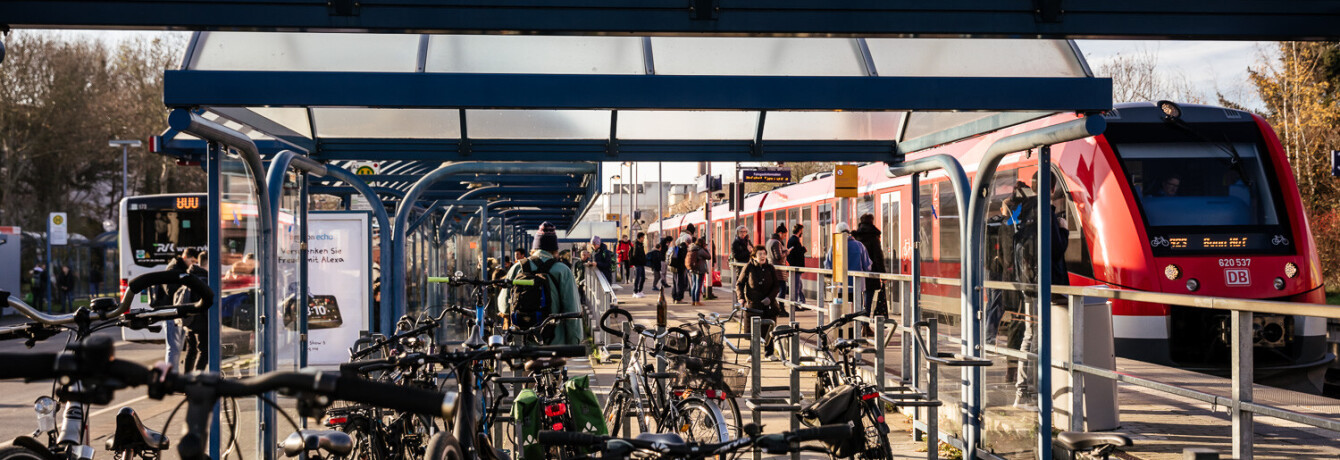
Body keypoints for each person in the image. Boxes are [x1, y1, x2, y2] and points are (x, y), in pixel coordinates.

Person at [1010, 171, 1070, 411]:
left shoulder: (1022, 210)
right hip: (1041, 284)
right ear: (1052, 189)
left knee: (1031, 335)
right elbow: (1055, 249)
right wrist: (1063, 229)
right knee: (1035, 338)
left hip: (1027, 282)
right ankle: (1027, 394)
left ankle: (1027, 392)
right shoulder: (1043, 211)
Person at [498, 222, 584, 346]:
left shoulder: (517, 267)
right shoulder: (562, 270)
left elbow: (504, 306)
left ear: (534, 247)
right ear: (555, 249)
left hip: (522, 341)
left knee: (523, 364)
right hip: (554, 341)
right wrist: (574, 341)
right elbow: (572, 308)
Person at [736, 245, 782, 356]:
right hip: (753, 304)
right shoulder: (749, 267)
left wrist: (770, 298)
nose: (762, 256)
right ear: (754, 256)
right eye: (760, 254)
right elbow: (740, 284)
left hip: (768, 305)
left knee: (769, 330)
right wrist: (741, 297)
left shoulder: (770, 268)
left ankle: (769, 353)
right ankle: (753, 354)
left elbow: (776, 286)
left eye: (764, 254)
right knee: (754, 331)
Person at [823, 222, 873, 306]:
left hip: (840, 287)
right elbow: (867, 267)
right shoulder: (859, 245)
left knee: (841, 312)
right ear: (848, 232)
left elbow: (828, 267)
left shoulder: (834, 247)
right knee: (857, 311)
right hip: (857, 286)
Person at [178, 250, 210, 372]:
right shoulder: (204, 279)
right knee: (204, 352)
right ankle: (196, 381)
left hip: (189, 321)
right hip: (201, 323)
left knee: (191, 350)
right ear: (207, 263)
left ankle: (187, 380)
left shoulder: (191, 275)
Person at [849, 214, 887, 315]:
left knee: (858, 301)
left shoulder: (855, 237)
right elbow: (878, 257)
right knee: (868, 301)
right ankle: (865, 325)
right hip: (871, 274)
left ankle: (860, 324)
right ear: (871, 222)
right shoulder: (873, 238)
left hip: (857, 274)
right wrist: (883, 274)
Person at [155, 256, 189, 369]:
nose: (194, 264)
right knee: (173, 347)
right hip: (171, 313)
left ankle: (173, 372)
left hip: (176, 313)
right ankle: (172, 375)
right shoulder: (174, 269)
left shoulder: (177, 267)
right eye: (192, 261)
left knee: (177, 347)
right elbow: (170, 290)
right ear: (186, 257)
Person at [730, 226, 752, 306]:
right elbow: (736, 256)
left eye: (745, 231)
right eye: (741, 232)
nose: (743, 233)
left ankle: (747, 303)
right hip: (740, 267)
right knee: (740, 285)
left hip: (748, 266)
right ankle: (739, 303)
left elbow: (752, 251)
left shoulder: (748, 241)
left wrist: (751, 250)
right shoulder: (735, 243)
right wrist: (748, 251)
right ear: (737, 233)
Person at [786, 225, 808, 304]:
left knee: (799, 285)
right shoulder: (794, 240)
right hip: (796, 267)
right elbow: (796, 253)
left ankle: (802, 301)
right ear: (799, 231)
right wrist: (803, 250)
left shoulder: (792, 240)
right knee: (796, 286)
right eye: (801, 230)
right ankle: (795, 304)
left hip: (795, 267)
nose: (802, 232)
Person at [766, 225, 788, 301]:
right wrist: (786, 252)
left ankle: (777, 306)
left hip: (772, 269)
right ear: (780, 233)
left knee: (775, 289)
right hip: (778, 271)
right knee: (782, 289)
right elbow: (778, 257)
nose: (784, 237)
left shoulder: (769, 241)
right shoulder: (777, 242)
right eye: (784, 235)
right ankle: (781, 308)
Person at [687, 237, 711, 306]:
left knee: (694, 285)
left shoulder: (692, 248)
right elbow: (709, 257)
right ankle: (697, 301)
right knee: (698, 286)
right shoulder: (700, 250)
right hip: (700, 270)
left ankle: (693, 301)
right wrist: (706, 249)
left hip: (693, 269)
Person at [669, 234, 690, 303]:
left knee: (675, 283)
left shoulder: (677, 247)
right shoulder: (684, 248)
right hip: (680, 268)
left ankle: (674, 297)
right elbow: (684, 259)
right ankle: (679, 299)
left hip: (674, 267)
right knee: (680, 283)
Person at [630, 233, 647, 298]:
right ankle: (635, 292)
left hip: (641, 264)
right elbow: (635, 255)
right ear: (640, 238)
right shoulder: (636, 245)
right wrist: (640, 260)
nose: (644, 239)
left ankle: (640, 291)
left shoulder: (640, 245)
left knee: (642, 278)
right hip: (638, 264)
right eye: (643, 237)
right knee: (637, 278)